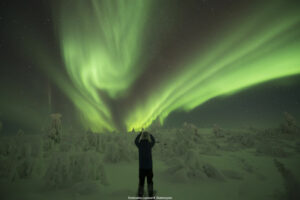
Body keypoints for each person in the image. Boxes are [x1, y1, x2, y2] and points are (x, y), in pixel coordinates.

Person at [135, 129, 156, 197]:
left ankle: (140, 193)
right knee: (150, 181)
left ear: (142, 137)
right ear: (147, 137)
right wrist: (150, 134)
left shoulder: (140, 145)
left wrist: (139, 134)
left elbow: (135, 141)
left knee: (141, 181)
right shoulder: (149, 145)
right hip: (149, 167)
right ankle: (150, 193)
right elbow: (154, 141)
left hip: (141, 167)